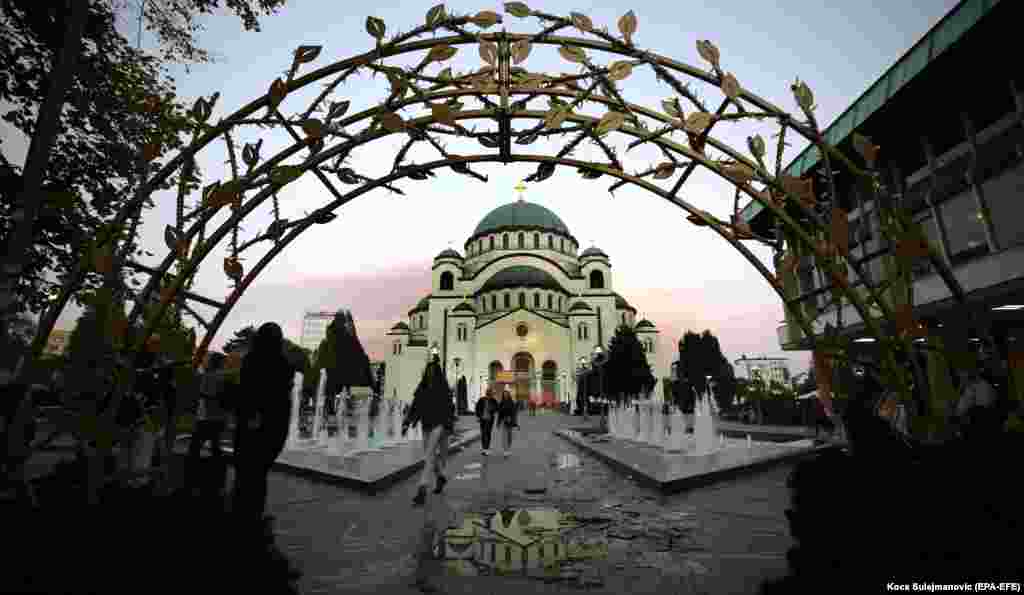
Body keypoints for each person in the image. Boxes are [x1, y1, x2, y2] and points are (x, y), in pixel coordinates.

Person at [232, 322, 295, 527]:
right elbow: (283, 395)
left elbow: (246, 391)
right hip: (273, 427)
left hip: (250, 425)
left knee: (246, 471)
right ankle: (254, 514)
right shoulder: (283, 364)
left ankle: (242, 512)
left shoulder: (252, 360)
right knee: (259, 472)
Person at [402, 355, 454, 506]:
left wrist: (448, 427)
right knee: (429, 455)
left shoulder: (443, 388)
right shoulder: (422, 387)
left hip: (439, 425)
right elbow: (415, 406)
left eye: (433, 371)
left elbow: (449, 409)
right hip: (426, 425)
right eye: (428, 371)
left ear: (437, 373)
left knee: (429, 456)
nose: (430, 374)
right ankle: (441, 477)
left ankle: (422, 488)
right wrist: (407, 422)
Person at [187, 352, 230, 496]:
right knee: (215, 447)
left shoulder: (209, 376)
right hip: (220, 418)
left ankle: (191, 478)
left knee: (195, 447)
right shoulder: (224, 376)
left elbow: (205, 396)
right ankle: (217, 479)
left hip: (207, 418)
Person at [955, 367, 999, 441]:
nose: (960, 377)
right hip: (976, 419)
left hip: (977, 420)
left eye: (962, 374)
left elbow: (984, 404)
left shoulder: (977, 386)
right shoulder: (971, 386)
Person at [475, 388, 498, 456]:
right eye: (489, 393)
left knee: (488, 433)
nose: (490, 394)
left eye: (490, 393)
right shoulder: (482, 399)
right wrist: (478, 416)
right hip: (483, 419)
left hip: (490, 419)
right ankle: (484, 448)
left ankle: (486, 448)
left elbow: (497, 408)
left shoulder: (493, 400)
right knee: (483, 433)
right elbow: (477, 408)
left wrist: (492, 409)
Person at [496, 390, 518, 458]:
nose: (505, 395)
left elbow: (514, 414)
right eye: (504, 394)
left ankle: (508, 448)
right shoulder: (501, 403)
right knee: (504, 437)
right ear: (503, 395)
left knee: (509, 437)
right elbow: (499, 414)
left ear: (509, 395)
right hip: (503, 421)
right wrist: (498, 423)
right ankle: (505, 451)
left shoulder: (512, 403)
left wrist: (515, 423)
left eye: (506, 394)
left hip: (510, 421)